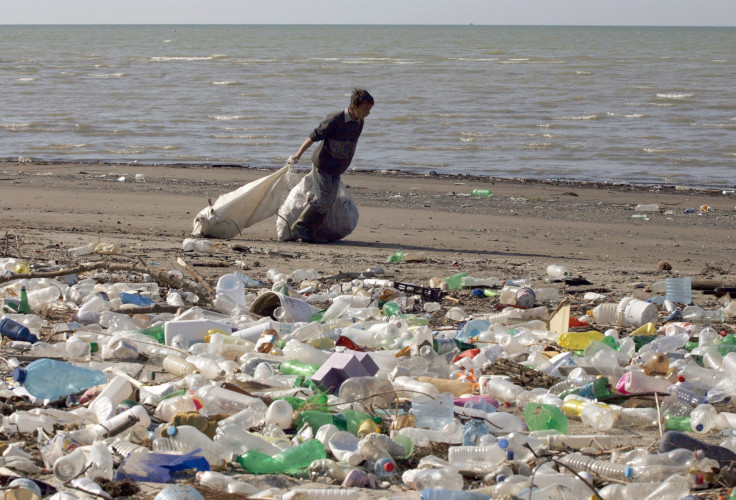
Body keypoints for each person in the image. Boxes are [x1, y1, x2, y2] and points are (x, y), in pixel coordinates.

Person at [287, 88, 374, 242]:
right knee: (324, 200)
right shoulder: (336, 119)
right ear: (354, 106)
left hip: (337, 168)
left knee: (329, 201)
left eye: (369, 109)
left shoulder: (359, 122)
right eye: (365, 109)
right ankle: (300, 227)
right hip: (323, 165)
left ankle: (313, 232)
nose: (368, 113)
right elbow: (314, 136)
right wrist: (298, 154)